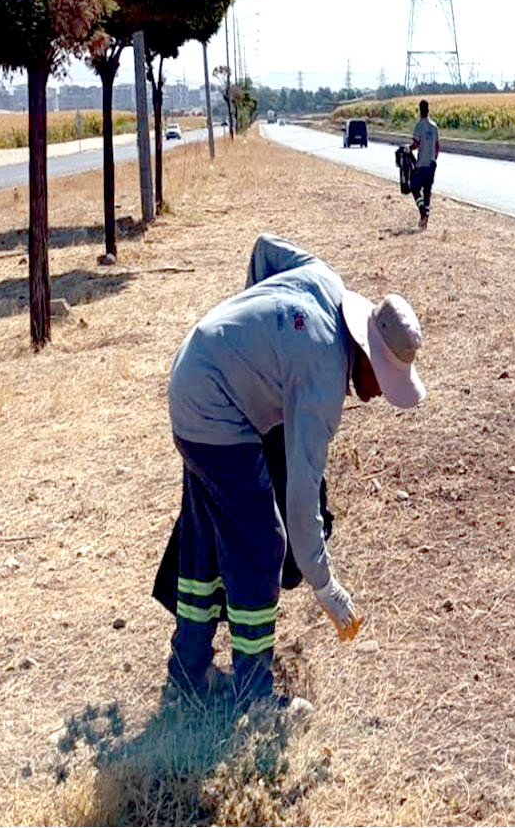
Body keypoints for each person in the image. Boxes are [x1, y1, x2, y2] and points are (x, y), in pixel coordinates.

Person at [161, 233, 426, 712]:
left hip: (193, 370)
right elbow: (302, 503)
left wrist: (252, 341)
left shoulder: (324, 279)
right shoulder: (323, 376)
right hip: (216, 410)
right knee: (262, 544)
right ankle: (254, 697)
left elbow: (263, 249)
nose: (373, 396)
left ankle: (188, 669)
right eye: (379, 383)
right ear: (365, 355)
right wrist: (326, 586)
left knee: (206, 535)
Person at [408, 99, 440, 230]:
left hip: (421, 164)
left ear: (420, 110)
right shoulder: (434, 127)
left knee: (414, 188)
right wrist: (433, 159)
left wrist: (407, 149)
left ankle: (422, 212)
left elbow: (416, 144)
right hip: (431, 165)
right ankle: (425, 218)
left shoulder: (418, 126)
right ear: (428, 110)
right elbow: (438, 146)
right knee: (427, 192)